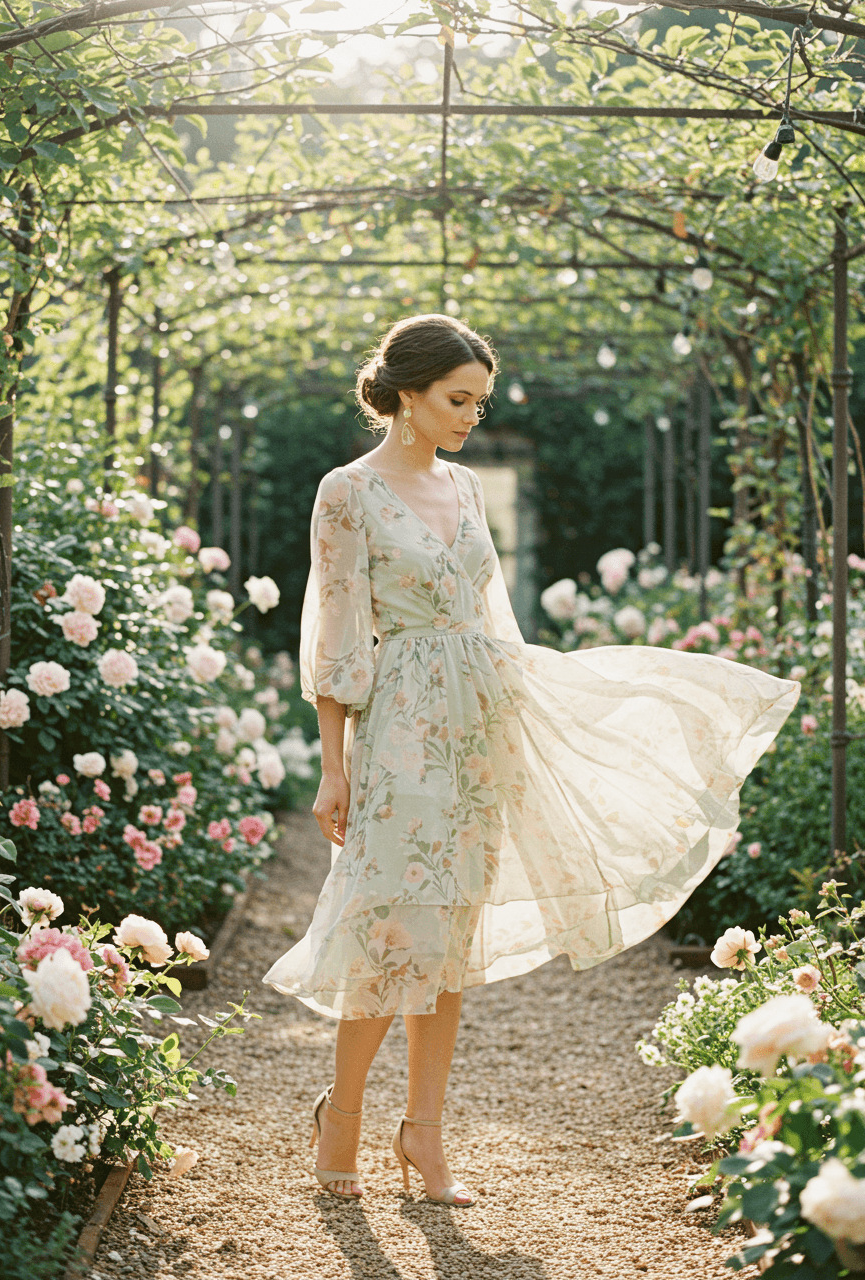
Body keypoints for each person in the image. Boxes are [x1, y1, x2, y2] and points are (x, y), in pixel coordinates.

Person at [263, 313, 800, 1207]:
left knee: (451, 941)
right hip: (398, 722)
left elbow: (493, 619)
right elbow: (338, 637)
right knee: (392, 930)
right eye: (457, 399)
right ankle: (343, 1117)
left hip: (479, 718)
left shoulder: (468, 489)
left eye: (479, 400)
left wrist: (538, 709)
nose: (471, 414)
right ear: (407, 394)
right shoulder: (345, 493)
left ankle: (424, 1137)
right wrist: (334, 764)